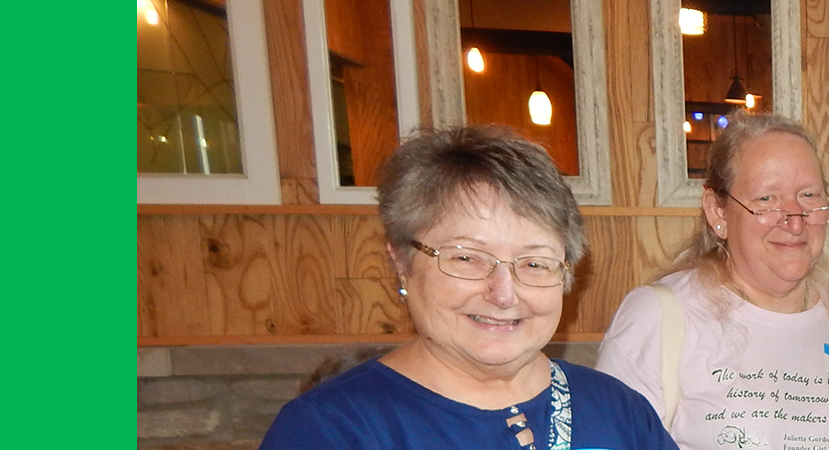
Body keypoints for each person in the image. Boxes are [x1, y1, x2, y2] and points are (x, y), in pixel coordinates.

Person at [261, 127, 674, 450]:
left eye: (534, 263)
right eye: (466, 257)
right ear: (401, 261)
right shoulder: (330, 430)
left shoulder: (618, 409)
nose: (503, 293)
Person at [597, 113, 829, 450]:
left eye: (808, 196)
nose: (795, 220)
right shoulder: (657, 317)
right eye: (766, 199)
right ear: (718, 211)